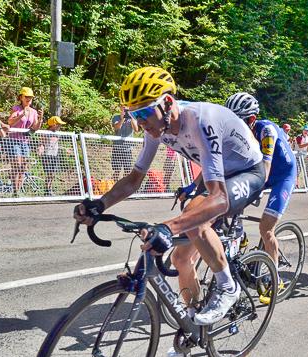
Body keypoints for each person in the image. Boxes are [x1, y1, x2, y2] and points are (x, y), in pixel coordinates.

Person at [74, 67, 266, 330]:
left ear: (166, 103)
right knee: (180, 258)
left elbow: (219, 198)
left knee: (196, 219)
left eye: (142, 113)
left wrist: (168, 227)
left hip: (247, 173)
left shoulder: (200, 120)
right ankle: (192, 324)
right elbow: (133, 180)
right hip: (217, 175)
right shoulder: (157, 127)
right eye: (133, 114)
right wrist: (100, 203)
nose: (140, 122)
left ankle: (227, 286)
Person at [225, 92, 297, 303]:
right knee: (225, 205)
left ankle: (274, 279)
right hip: (260, 173)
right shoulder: (235, 133)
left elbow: (265, 166)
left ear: (251, 120)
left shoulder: (266, 130)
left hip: (282, 175)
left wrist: (254, 191)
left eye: (237, 121)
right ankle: (241, 239)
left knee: (266, 228)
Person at [7, 87, 43, 196]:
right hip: (14, 140)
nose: (28, 99)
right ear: (21, 97)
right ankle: (14, 189)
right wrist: (21, 115)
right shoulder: (16, 108)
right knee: (17, 165)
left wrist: (41, 118)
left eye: (30, 97)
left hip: (25, 141)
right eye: (26, 97)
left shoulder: (33, 112)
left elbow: (35, 128)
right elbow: (10, 122)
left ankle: (18, 190)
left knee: (24, 166)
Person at [38, 116, 66, 196]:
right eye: (59, 124)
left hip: (54, 155)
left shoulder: (58, 134)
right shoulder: (46, 133)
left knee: (52, 174)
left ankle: (49, 189)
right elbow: (41, 143)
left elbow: (57, 145)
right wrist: (40, 149)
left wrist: (65, 149)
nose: (60, 126)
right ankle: (47, 189)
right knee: (48, 173)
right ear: (53, 125)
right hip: (47, 155)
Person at [111, 105, 139, 182]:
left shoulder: (133, 118)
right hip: (117, 148)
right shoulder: (116, 117)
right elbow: (117, 127)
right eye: (123, 108)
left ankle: (124, 186)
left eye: (127, 108)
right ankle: (114, 186)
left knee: (127, 171)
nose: (125, 110)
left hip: (127, 149)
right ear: (120, 108)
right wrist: (122, 118)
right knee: (117, 170)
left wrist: (131, 117)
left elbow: (136, 129)